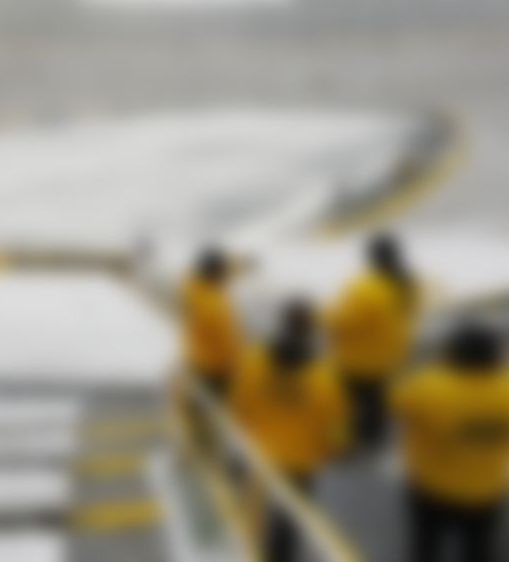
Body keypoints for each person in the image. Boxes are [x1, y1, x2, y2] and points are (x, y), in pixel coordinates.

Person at [391, 322, 509, 562]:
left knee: (426, 546)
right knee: (478, 549)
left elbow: (399, 409)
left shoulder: (428, 386)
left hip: (432, 486)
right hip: (487, 490)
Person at [231, 298, 349, 562]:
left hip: (255, 455)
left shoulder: (253, 361)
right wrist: (334, 451)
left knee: (252, 510)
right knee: (288, 522)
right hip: (298, 464)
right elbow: (336, 428)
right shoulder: (324, 379)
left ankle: (248, 550)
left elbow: (239, 404)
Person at [323, 231, 420, 450]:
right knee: (377, 402)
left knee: (343, 406)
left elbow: (341, 322)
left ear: (371, 257)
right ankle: (375, 438)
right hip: (391, 356)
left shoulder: (364, 288)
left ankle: (345, 443)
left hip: (356, 361)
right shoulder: (408, 283)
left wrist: (320, 316)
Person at [180, 247, 242, 398]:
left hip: (215, 365)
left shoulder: (201, 286)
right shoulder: (202, 298)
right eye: (220, 271)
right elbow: (219, 330)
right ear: (212, 272)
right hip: (209, 368)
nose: (224, 275)